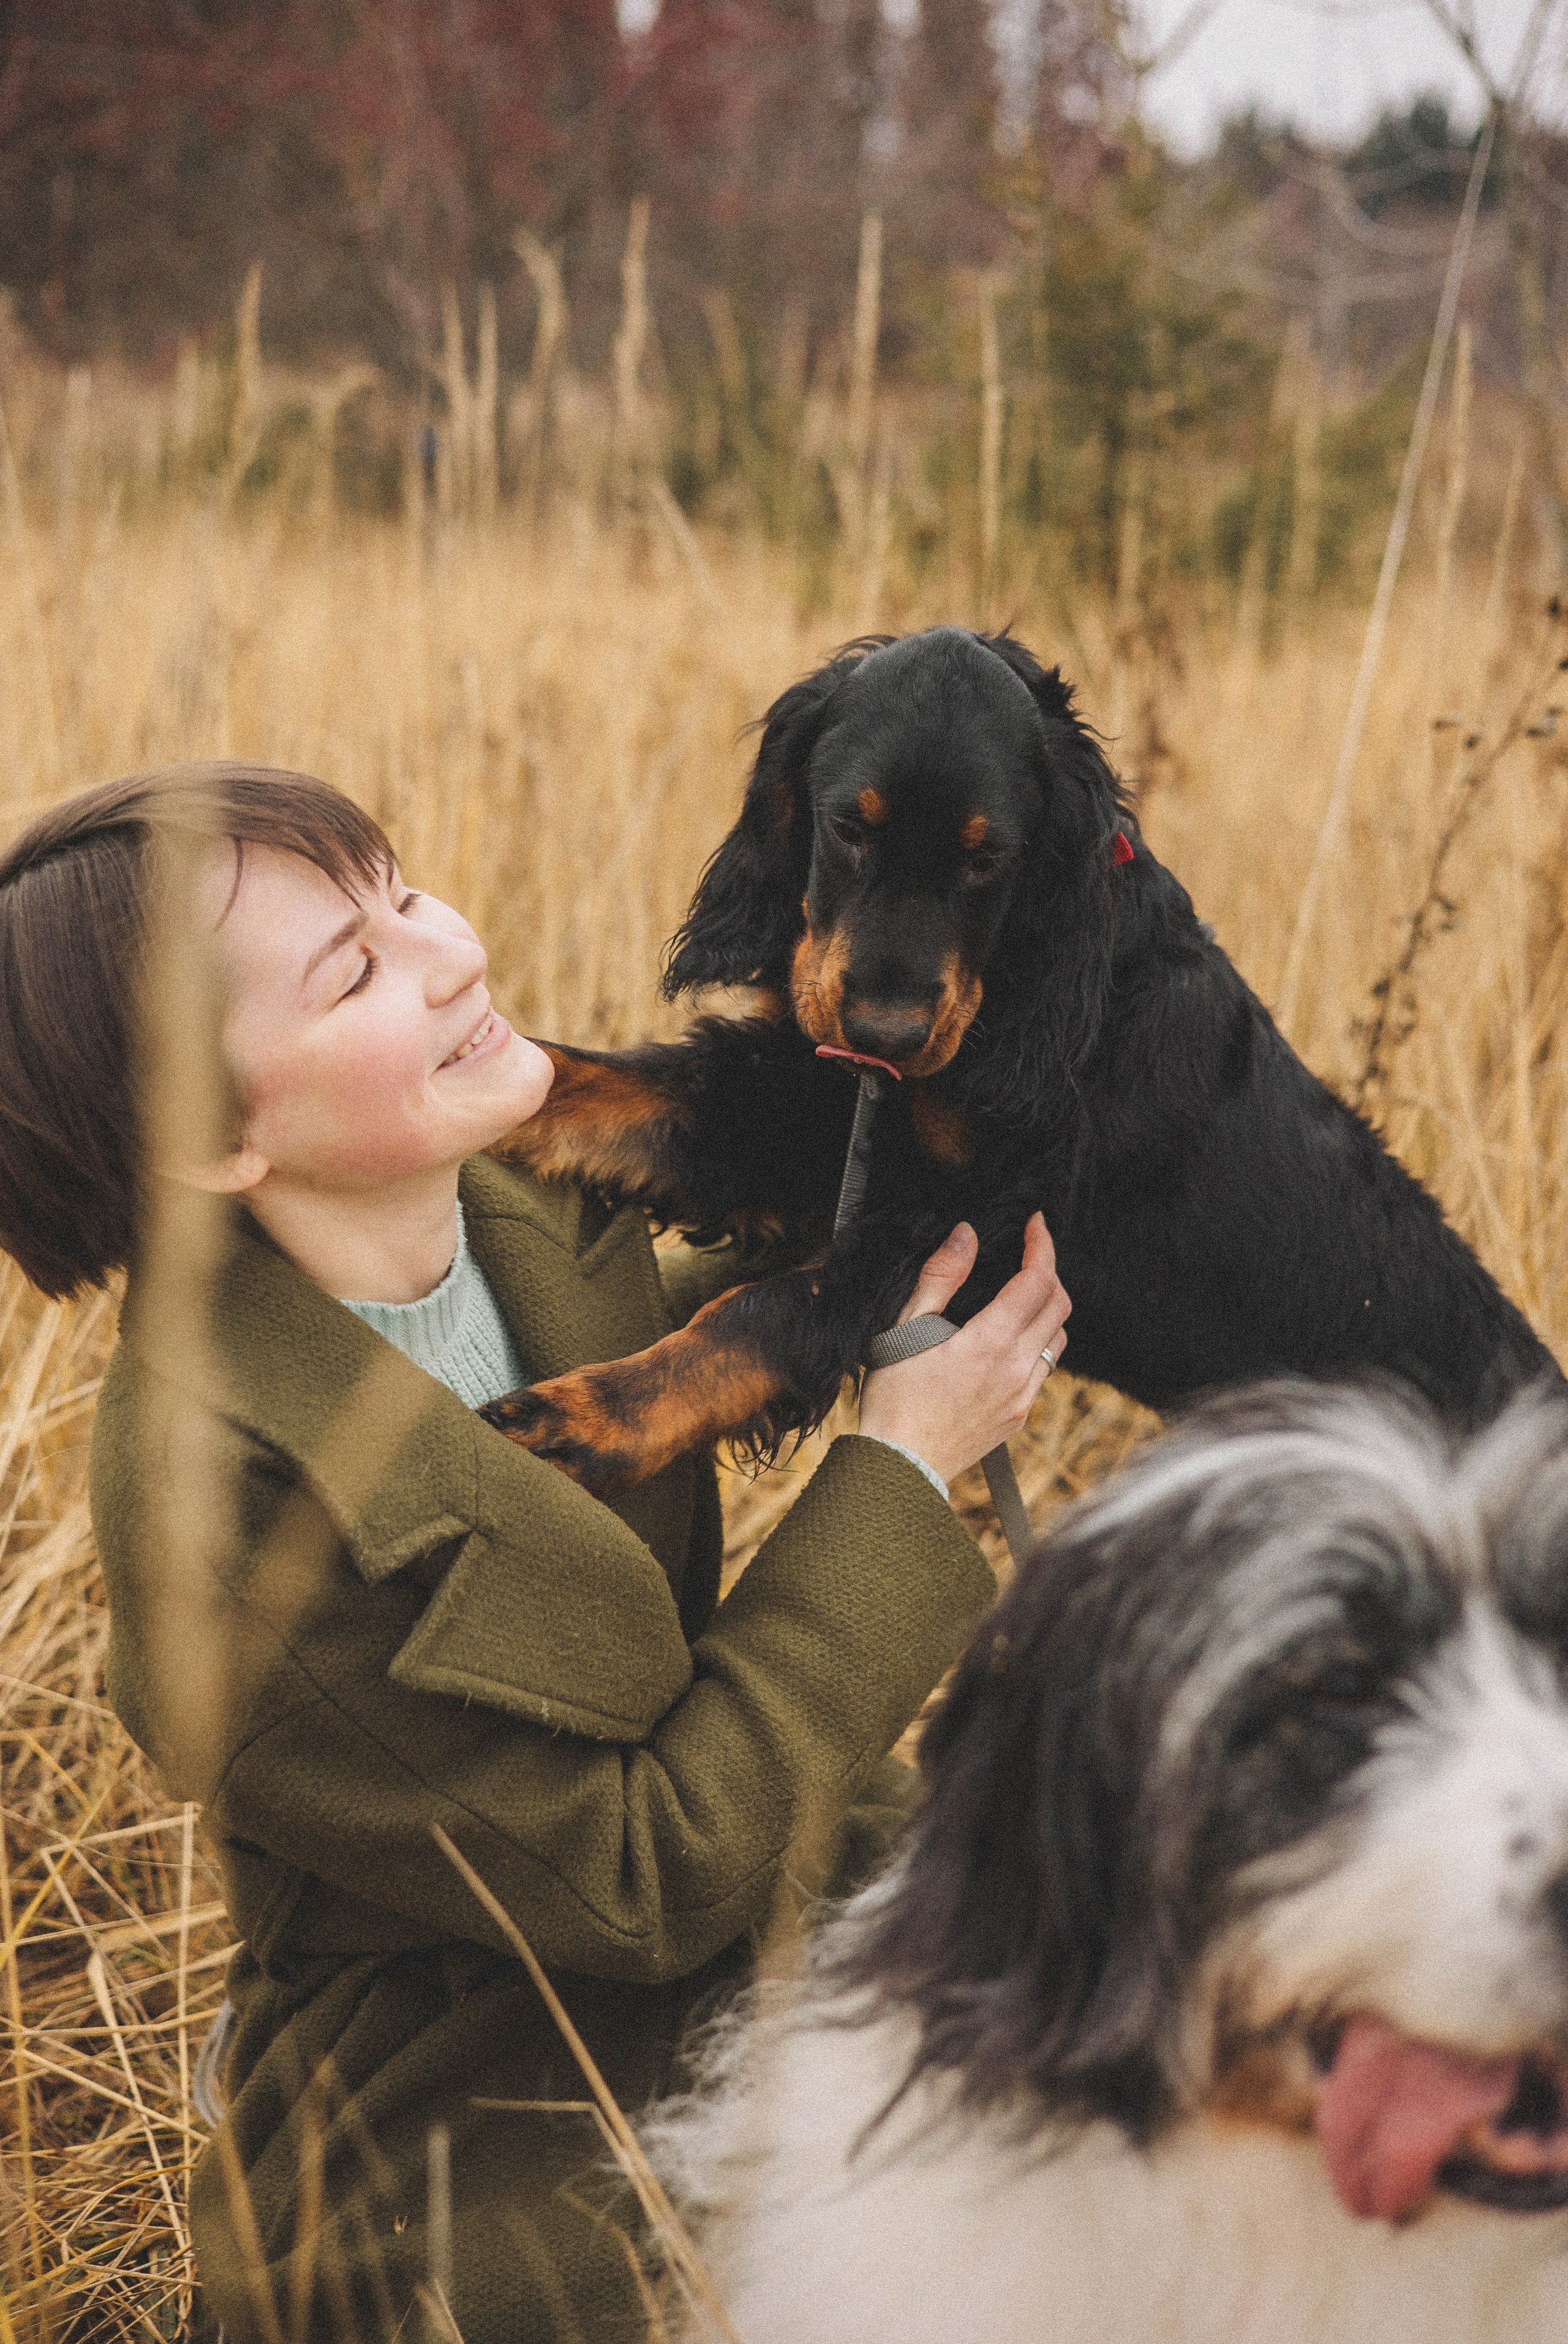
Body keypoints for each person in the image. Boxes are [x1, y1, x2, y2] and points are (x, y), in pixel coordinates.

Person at [0, 763, 1071, 2343]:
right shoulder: (227, 1515)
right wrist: (905, 1466)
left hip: (767, 1895)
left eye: (404, 892)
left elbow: (751, 1277)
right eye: (355, 971)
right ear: (215, 1136)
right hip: (469, 2103)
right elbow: (639, 1880)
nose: (449, 953)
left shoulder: (506, 1198)